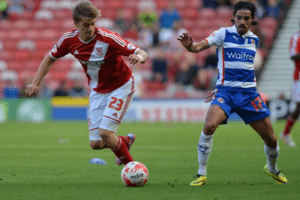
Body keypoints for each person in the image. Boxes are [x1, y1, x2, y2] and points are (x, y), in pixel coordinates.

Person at [25, 1, 148, 166]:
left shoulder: (107, 38)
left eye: (92, 24)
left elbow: (141, 52)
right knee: (96, 144)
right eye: (85, 25)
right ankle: (124, 142)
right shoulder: (69, 40)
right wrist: (35, 82)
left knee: (105, 133)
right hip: (98, 90)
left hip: (121, 86)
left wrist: (138, 58)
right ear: (76, 24)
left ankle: (133, 168)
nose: (90, 28)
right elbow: (50, 58)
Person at [178, 1, 288, 186]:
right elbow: (198, 47)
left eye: (246, 18)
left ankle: (272, 168)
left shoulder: (254, 39)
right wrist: (190, 46)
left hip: (249, 95)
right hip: (226, 93)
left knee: (271, 138)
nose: (242, 21)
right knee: (210, 126)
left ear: (253, 19)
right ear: (233, 18)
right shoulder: (223, 33)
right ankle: (201, 173)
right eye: (239, 18)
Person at [280, 20, 300, 147]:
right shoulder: (296, 37)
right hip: (299, 77)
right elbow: (293, 55)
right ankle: (285, 133)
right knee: (299, 107)